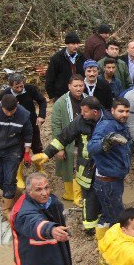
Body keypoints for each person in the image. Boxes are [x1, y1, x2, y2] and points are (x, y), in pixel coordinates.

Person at [32, 96, 103, 235]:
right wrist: (47, 154)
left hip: (104, 165)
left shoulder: (106, 121)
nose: (82, 114)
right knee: (88, 196)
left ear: (95, 112)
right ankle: (90, 227)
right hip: (87, 166)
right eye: (81, 111)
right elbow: (63, 137)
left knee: (104, 193)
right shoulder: (80, 121)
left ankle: (105, 221)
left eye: (85, 111)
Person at [88, 98, 133, 240]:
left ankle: (103, 242)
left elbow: (124, 146)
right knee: (117, 219)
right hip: (107, 182)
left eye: (127, 111)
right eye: (121, 111)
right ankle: (116, 246)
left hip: (113, 179)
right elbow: (91, 147)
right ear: (112, 111)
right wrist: (105, 141)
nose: (124, 114)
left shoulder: (119, 124)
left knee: (108, 214)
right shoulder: (106, 126)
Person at [1, 73, 48, 188]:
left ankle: (39, 167)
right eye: (16, 87)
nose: (19, 89)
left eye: (21, 86)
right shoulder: (5, 94)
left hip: (32, 123)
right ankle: (18, 175)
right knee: (18, 150)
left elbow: (42, 101)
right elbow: (2, 110)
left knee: (37, 146)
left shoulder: (30, 89)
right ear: (10, 86)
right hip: (15, 127)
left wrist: (41, 115)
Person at [52, 75, 85, 206]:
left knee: (81, 168)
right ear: (69, 86)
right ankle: (69, 193)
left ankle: (78, 195)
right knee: (68, 168)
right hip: (68, 142)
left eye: (81, 85)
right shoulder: (60, 103)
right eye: (75, 86)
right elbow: (56, 126)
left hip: (83, 141)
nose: (78, 89)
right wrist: (58, 148)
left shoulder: (88, 99)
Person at [45, 32, 85, 100]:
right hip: (62, 95)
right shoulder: (56, 58)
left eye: (77, 44)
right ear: (67, 44)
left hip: (79, 94)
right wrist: (52, 95)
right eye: (73, 44)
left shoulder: (82, 57)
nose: (76, 46)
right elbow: (50, 78)